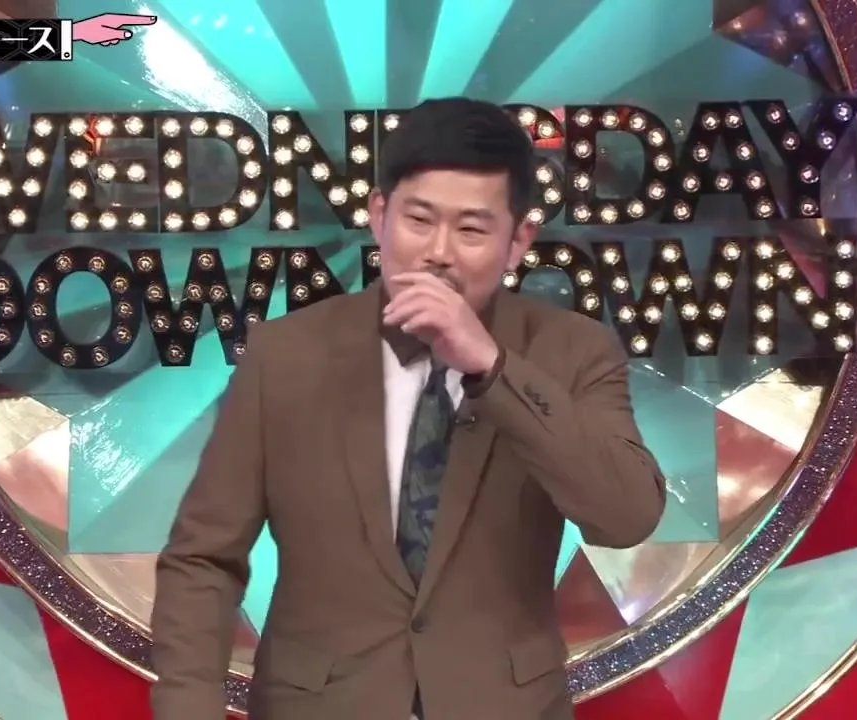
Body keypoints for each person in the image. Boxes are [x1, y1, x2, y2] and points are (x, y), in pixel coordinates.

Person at [150, 97, 667, 720]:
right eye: (418, 220)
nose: (438, 252)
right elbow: (204, 558)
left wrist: (492, 368)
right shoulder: (285, 356)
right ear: (379, 215)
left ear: (517, 241)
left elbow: (626, 516)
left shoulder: (572, 353)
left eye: (472, 230)